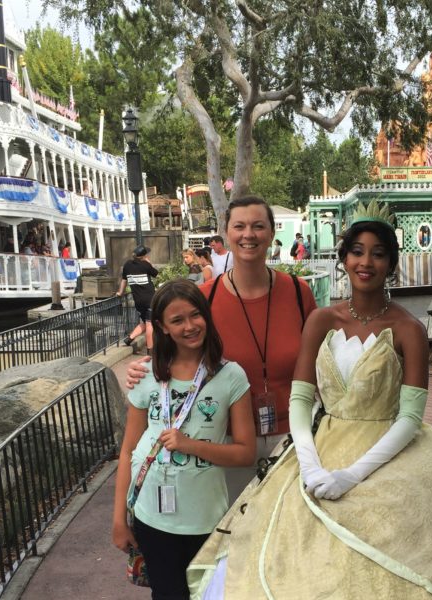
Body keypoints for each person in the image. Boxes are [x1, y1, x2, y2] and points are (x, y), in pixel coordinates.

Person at [186, 202, 432, 599]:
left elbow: (410, 417)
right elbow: (301, 397)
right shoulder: (321, 320)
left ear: (391, 264)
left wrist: (352, 475)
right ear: (343, 259)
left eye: (378, 253)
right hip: (320, 446)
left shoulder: (407, 329)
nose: (366, 261)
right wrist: (309, 464)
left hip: (388, 450)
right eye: (357, 251)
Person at [127, 197, 317, 497]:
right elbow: (176, 351)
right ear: (226, 233)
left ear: (270, 234)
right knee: (232, 533)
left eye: (258, 226)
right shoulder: (205, 298)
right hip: (224, 438)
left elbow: (319, 360)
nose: (248, 234)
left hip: (293, 434)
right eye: (239, 226)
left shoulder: (297, 292)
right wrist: (143, 370)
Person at [112, 279, 256, 599]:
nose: (189, 326)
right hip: (152, 516)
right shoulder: (147, 375)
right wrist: (119, 519)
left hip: (207, 519)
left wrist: (189, 444)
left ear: (206, 315)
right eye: (177, 320)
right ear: (162, 327)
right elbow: (127, 452)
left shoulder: (231, 377)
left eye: (195, 315)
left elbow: (246, 453)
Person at [117, 245, 159, 352]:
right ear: (144, 255)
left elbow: (123, 280)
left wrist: (120, 292)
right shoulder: (145, 265)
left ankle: (129, 339)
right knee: (150, 324)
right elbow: (156, 274)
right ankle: (150, 349)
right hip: (150, 299)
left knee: (145, 321)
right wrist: (149, 263)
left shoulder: (127, 265)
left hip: (138, 300)